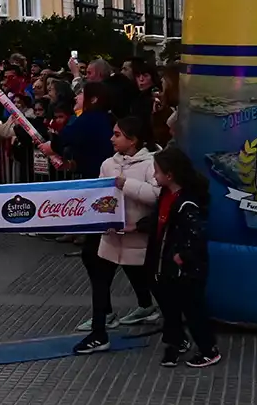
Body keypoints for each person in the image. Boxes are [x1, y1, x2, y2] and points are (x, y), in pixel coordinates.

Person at [73, 117, 161, 355]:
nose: (112, 138)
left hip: (139, 239)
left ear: (133, 140)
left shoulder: (151, 164)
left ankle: (172, 326)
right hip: (111, 238)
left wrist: (126, 184)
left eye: (117, 134)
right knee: (100, 281)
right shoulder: (107, 164)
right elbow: (101, 196)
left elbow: (156, 195)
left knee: (152, 283)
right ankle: (99, 332)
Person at [146, 147, 221, 368]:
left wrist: (182, 257)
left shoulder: (187, 203)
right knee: (169, 308)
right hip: (162, 264)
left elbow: (196, 235)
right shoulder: (166, 195)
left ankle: (208, 349)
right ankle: (176, 342)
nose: (154, 176)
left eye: (157, 171)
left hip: (184, 270)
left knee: (193, 308)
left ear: (169, 175)